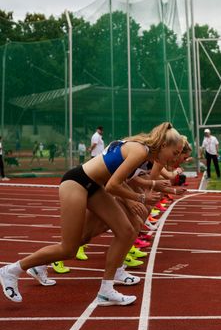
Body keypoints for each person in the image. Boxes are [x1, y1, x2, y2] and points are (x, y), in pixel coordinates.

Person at [0, 122, 183, 306]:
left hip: (95, 187)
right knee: (69, 249)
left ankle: (106, 291)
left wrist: (151, 186)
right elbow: (113, 185)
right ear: (163, 145)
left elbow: (121, 179)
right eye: (175, 153)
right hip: (77, 183)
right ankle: (12, 270)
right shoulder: (140, 151)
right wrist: (140, 198)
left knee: (126, 231)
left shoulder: (146, 155)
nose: (175, 158)